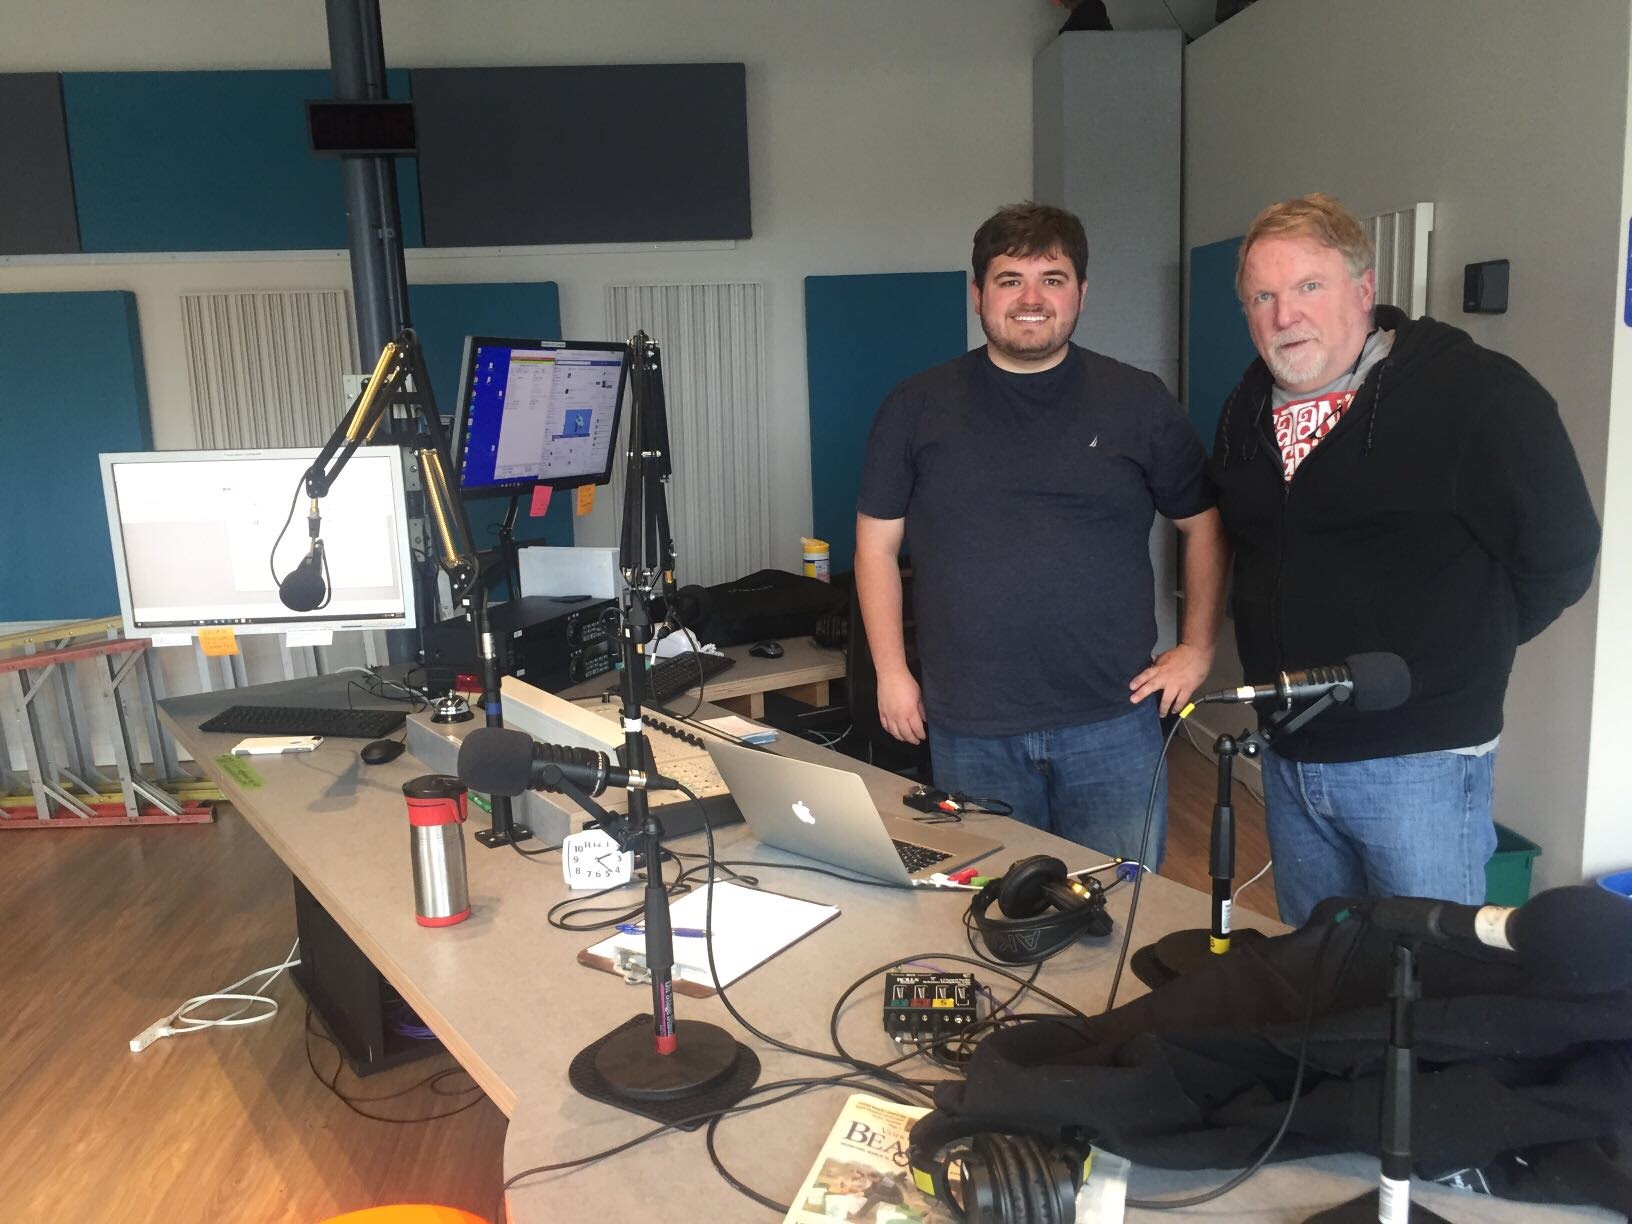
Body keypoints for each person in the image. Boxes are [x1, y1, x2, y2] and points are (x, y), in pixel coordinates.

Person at [1212, 192, 1600, 926]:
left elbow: (1562, 555)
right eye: (1262, 297)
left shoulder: (1476, 394)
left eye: (1308, 286)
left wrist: (1463, 644)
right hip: (1292, 752)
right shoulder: (1245, 407)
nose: (1284, 315)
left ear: (1364, 289)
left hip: (1420, 759)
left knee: (1430, 968)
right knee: (1318, 967)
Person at [854, 201, 1227, 862]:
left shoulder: (1138, 401)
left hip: (1113, 719)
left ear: (1081, 292)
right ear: (978, 295)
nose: (1031, 299)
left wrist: (1198, 648)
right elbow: (875, 548)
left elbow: (1204, 526)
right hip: (971, 725)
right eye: (1010, 280)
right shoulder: (915, 407)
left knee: (1120, 905)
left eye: (1051, 279)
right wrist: (891, 673)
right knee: (991, 905)